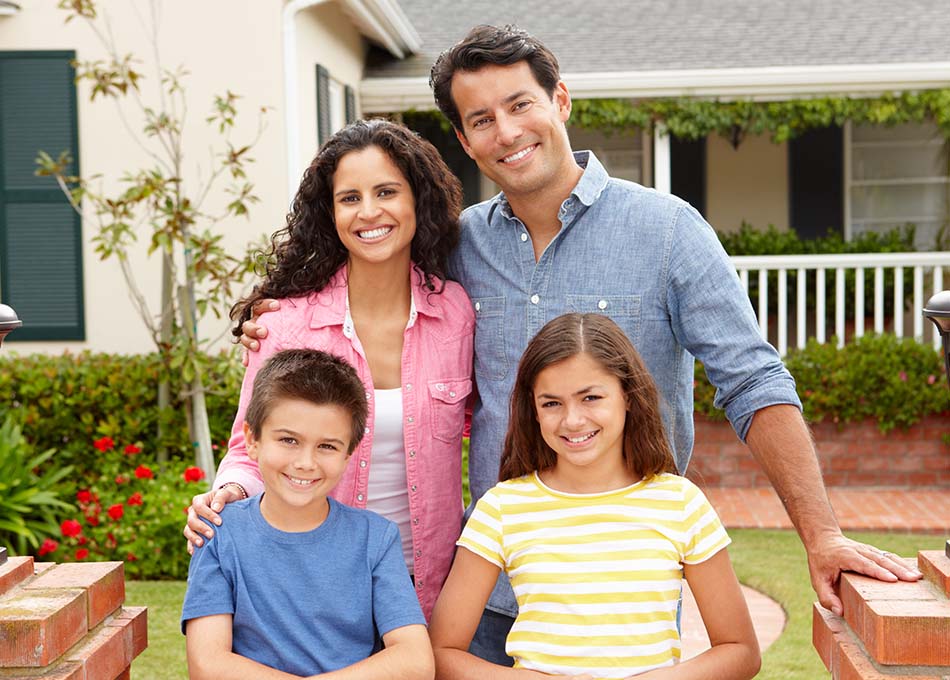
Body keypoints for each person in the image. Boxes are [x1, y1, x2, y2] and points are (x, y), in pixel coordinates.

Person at [233, 24, 921, 663]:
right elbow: (370, 272)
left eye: (520, 104)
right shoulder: (457, 249)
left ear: (560, 100)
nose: (506, 131)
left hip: (620, 594)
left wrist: (822, 534)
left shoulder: (668, 231)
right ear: (465, 141)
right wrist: (282, 318)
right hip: (485, 592)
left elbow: (754, 383)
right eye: (481, 120)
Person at [183, 119, 474, 620]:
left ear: (417, 200)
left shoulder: (454, 313)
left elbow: (478, 426)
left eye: (386, 191)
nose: (369, 212)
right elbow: (249, 447)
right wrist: (228, 491)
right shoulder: (284, 325)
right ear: (330, 211)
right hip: (313, 582)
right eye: (349, 198)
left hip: (427, 583)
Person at [429, 313, 760, 680]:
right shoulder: (502, 508)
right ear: (533, 410)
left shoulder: (680, 503)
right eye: (552, 403)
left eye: (591, 397)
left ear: (628, 397)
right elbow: (443, 653)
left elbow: (740, 651)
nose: (573, 420)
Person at [181, 349, 433, 679]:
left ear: (348, 455)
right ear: (252, 440)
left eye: (327, 446)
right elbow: (207, 664)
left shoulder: (376, 538)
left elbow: (416, 660)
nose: (305, 462)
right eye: (288, 440)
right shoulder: (218, 533)